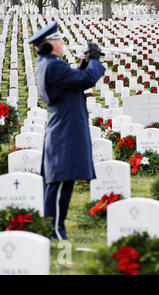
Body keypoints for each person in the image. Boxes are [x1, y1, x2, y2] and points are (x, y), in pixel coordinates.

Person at [29, 21, 105, 240]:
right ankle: (54, 231)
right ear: (51, 44)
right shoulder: (53, 65)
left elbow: (74, 82)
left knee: (63, 180)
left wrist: (85, 61)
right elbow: (86, 80)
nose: (63, 44)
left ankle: (55, 228)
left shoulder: (49, 63)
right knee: (60, 182)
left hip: (64, 126)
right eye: (60, 40)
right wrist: (95, 62)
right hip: (65, 129)